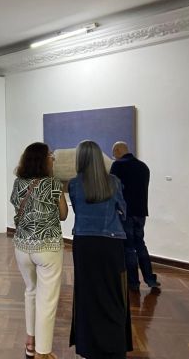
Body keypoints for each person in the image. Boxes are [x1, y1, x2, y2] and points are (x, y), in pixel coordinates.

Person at [68, 140, 133, 359]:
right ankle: (115, 345)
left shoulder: (74, 184)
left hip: (84, 244)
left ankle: (89, 346)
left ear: (80, 158)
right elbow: (123, 210)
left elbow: (78, 210)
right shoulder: (114, 182)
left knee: (87, 294)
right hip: (111, 244)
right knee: (114, 294)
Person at [10, 142, 68, 359]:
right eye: (50, 155)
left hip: (22, 247)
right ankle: (43, 353)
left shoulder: (18, 182)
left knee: (31, 291)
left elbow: (16, 205)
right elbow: (63, 215)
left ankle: (30, 344)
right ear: (43, 160)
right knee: (47, 300)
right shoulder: (53, 183)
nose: (53, 158)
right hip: (48, 247)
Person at [111, 141, 160, 291]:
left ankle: (133, 282)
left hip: (125, 213)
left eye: (114, 153)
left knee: (129, 248)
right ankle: (150, 279)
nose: (113, 156)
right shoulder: (143, 166)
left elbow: (113, 190)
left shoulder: (117, 166)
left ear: (118, 150)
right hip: (141, 212)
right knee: (140, 244)